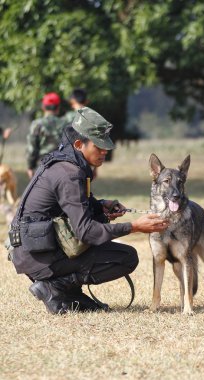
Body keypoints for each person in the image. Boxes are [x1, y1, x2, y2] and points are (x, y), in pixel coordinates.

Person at [10, 107, 169, 314]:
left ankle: (67, 292)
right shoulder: (69, 173)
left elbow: (74, 206)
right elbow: (85, 232)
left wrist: (100, 206)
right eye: (98, 147)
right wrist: (135, 226)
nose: (104, 152)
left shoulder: (67, 162)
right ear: (78, 144)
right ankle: (55, 287)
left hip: (36, 251)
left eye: (106, 147)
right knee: (126, 257)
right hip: (39, 257)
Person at [26, 92, 66, 179]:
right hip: (63, 166)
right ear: (58, 107)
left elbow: (32, 148)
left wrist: (30, 166)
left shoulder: (37, 124)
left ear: (43, 107)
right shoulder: (65, 124)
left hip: (42, 166)